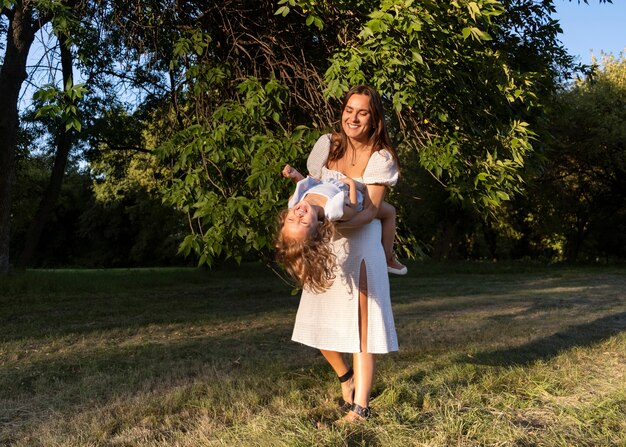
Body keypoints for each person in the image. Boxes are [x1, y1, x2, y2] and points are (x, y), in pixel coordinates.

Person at [285, 85, 401, 424]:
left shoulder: (381, 158)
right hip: (328, 243)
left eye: (362, 112)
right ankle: (346, 378)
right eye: (349, 110)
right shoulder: (328, 145)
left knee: (362, 330)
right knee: (315, 320)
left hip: (363, 243)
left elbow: (371, 213)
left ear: (374, 118)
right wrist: (315, 218)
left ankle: (360, 409)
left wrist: (340, 217)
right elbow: (313, 188)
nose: (353, 117)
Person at [276, 164, 406, 293]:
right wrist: (351, 184)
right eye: (304, 223)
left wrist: (295, 175)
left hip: (330, 181)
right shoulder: (332, 211)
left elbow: (306, 187)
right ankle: (388, 258)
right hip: (357, 197)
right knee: (390, 212)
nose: (298, 215)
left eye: (291, 219)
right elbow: (353, 209)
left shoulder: (295, 202)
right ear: (317, 227)